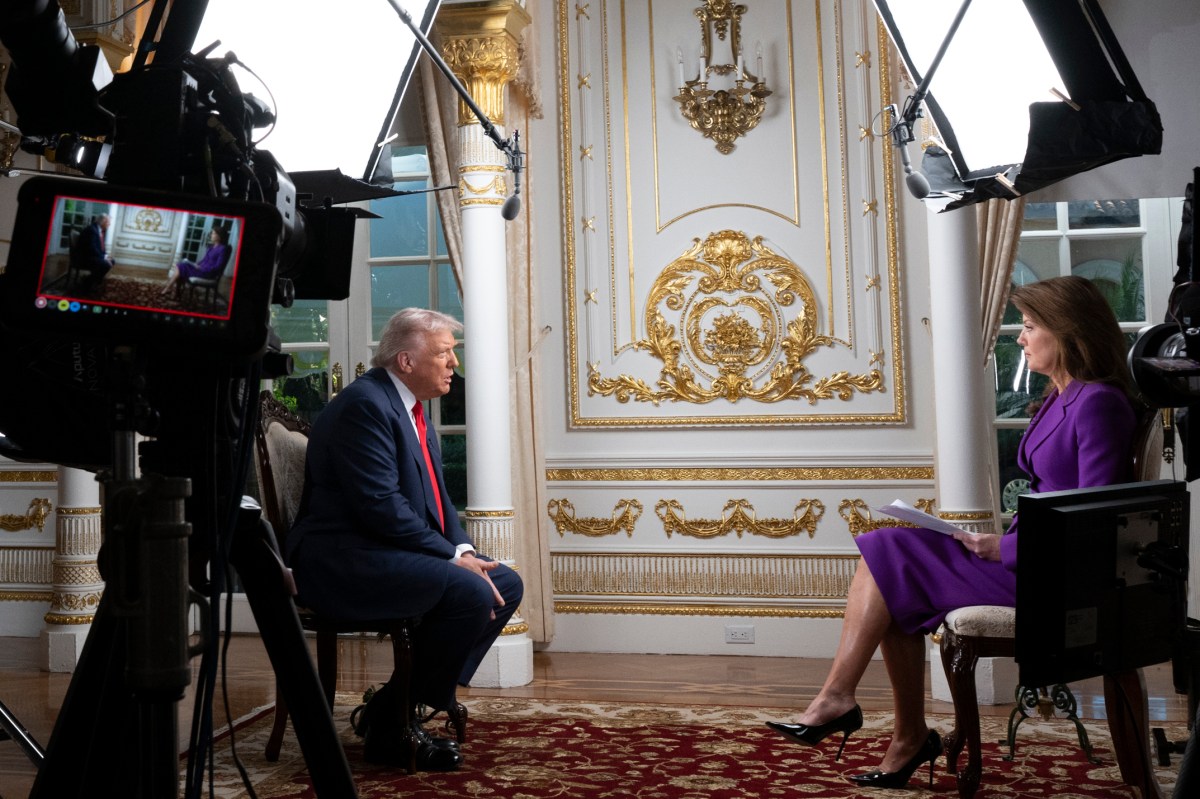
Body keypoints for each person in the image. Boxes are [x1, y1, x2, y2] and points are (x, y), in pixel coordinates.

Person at [766, 276, 1140, 789]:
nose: (1020, 337)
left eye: (1030, 327)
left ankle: (854, 708)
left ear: (1069, 331)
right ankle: (895, 729)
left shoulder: (1098, 402)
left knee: (888, 549)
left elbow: (1091, 520)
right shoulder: (1061, 397)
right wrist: (997, 543)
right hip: (1027, 559)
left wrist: (1004, 547)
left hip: (1055, 578)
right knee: (889, 557)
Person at [284, 307, 523, 772]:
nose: (454, 364)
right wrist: (452, 562)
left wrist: (463, 550)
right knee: (470, 590)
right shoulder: (365, 406)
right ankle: (393, 727)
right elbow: (380, 505)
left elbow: (437, 503)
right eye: (444, 353)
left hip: (381, 547)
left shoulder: (413, 410)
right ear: (407, 362)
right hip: (341, 558)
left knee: (505, 584)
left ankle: (391, 709)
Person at [160, 225, 231, 298]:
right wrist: (195, 264)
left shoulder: (223, 249)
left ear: (219, 236)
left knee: (181, 267)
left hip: (208, 273)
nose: (211, 235)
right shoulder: (211, 247)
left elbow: (218, 266)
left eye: (213, 233)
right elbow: (204, 260)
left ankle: (169, 288)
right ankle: (173, 290)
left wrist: (202, 268)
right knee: (181, 264)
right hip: (201, 269)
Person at [70, 213, 113, 288]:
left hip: (91, 255)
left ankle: (94, 279)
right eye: (108, 223)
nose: (109, 225)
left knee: (112, 261)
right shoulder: (92, 230)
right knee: (106, 264)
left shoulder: (98, 229)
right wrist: (103, 257)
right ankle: (88, 283)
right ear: (103, 222)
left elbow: (100, 247)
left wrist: (105, 256)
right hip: (84, 258)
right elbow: (92, 248)